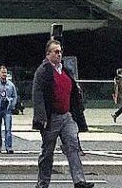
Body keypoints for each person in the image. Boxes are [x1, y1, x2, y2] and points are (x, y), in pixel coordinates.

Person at [31, 39, 94, 188]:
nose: (59, 54)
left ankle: (79, 181)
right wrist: (41, 117)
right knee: (47, 152)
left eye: (60, 51)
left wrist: (78, 110)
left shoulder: (65, 70)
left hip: (67, 116)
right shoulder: (43, 71)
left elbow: (73, 92)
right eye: (56, 51)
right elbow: (37, 95)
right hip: (51, 117)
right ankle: (42, 183)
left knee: (73, 146)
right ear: (48, 54)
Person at [0, 65, 18, 154]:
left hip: (7, 109)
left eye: (5, 73)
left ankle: (9, 147)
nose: (4, 74)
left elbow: (14, 96)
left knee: (8, 129)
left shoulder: (11, 85)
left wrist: (12, 104)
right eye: (2, 72)